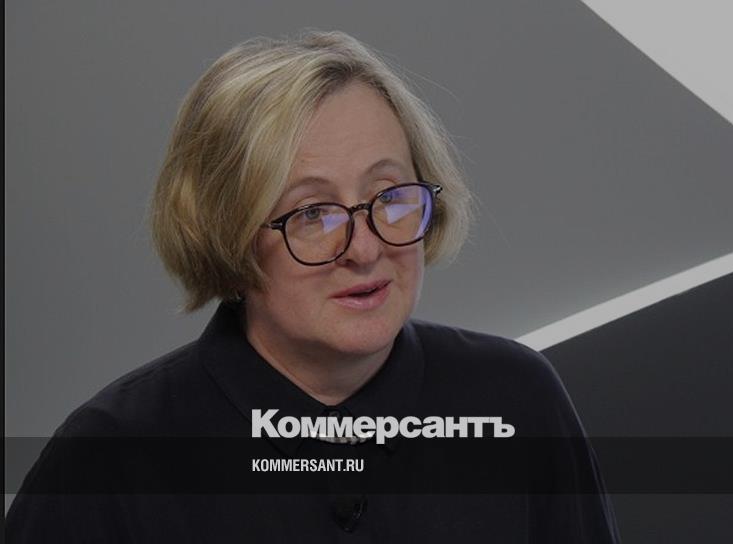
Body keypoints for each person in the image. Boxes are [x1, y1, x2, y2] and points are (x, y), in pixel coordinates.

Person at [6, 30, 620, 543]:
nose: (366, 248)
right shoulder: (108, 461)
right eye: (312, 213)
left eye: (390, 196)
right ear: (228, 232)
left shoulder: (516, 399)